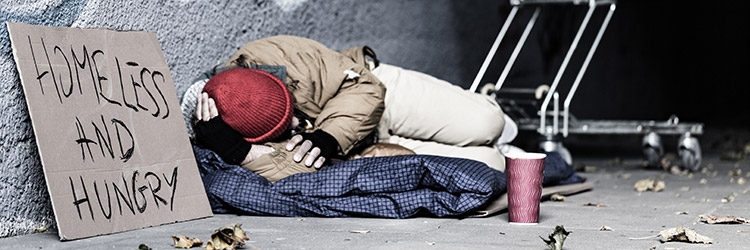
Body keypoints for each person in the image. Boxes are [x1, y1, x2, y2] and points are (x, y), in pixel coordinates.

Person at [181, 35, 517, 182]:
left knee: (488, 121)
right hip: (365, 149)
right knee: (494, 164)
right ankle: (494, 149)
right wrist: (242, 153)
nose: (297, 120)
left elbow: (365, 87)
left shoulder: (275, 54)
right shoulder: (231, 131)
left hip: (378, 96)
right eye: (286, 124)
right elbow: (295, 173)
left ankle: (493, 129)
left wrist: (327, 136)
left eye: (291, 109)